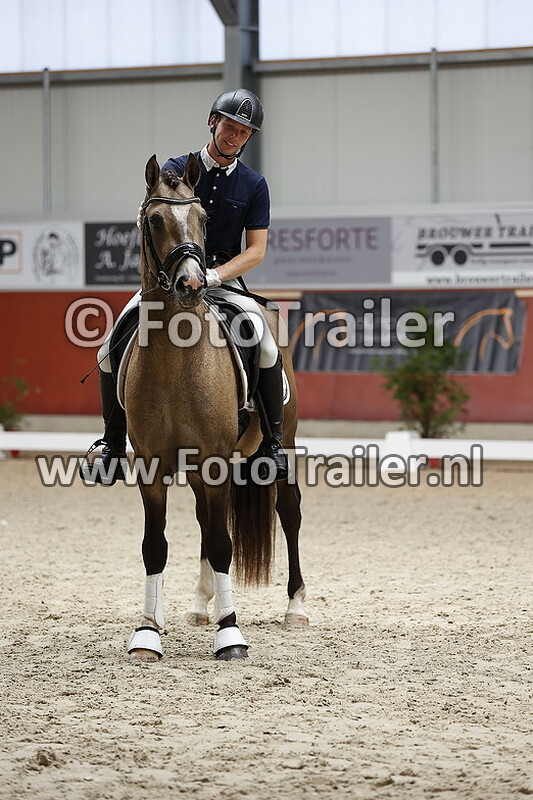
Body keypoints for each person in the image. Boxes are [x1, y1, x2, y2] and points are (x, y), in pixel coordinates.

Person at [82, 88, 288, 485]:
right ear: (214, 122)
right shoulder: (177, 168)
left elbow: (257, 251)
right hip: (168, 282)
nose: (235, 136)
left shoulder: (253, 185)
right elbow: (151, 217)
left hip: (220, 283)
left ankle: (273, 444)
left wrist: (212, 276)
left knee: (262, 335)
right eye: (230, 126)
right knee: (109, 344)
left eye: (244, 132)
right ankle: (112, 444)